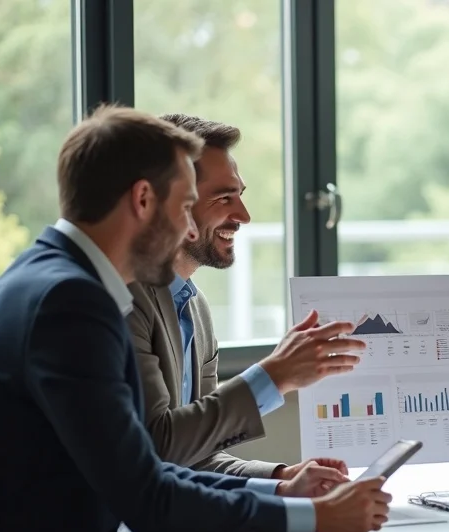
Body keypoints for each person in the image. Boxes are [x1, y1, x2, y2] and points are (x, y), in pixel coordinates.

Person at [0, 105, 391, 532]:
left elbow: (145, 470)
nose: (188, 228)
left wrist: (281, 490)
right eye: (184, 205)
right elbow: (147, 496)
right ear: (144, 200)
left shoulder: (56, 280)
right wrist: (315, 517)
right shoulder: (70, 304)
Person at [126, 113, 361, 486]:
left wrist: (282, 479)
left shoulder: (195, 308)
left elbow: (196, 454)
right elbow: (157, 447)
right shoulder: (126, 301)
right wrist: (275, 376)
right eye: (223, 198)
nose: (244, 216)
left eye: (240, 195)